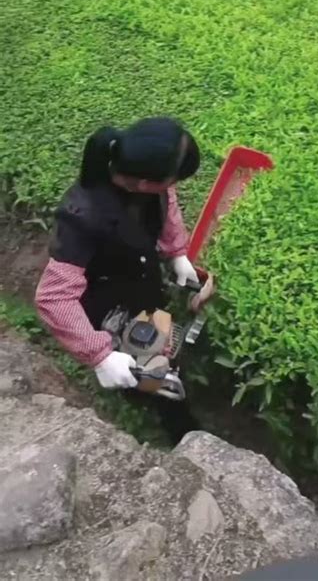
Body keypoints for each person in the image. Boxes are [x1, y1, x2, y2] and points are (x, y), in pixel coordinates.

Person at [35, 117, 202, 436]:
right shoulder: (82, 217)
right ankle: (172, 419)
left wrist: (177, 252)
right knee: (149, 364)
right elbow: (54, 297)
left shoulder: (149, 185)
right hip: (107, 300)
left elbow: (169, 205)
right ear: (144, 182)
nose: (172, 188)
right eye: (171, 180)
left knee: (158, 350)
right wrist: (98, 356)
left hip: (141, 283)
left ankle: (154, 388)